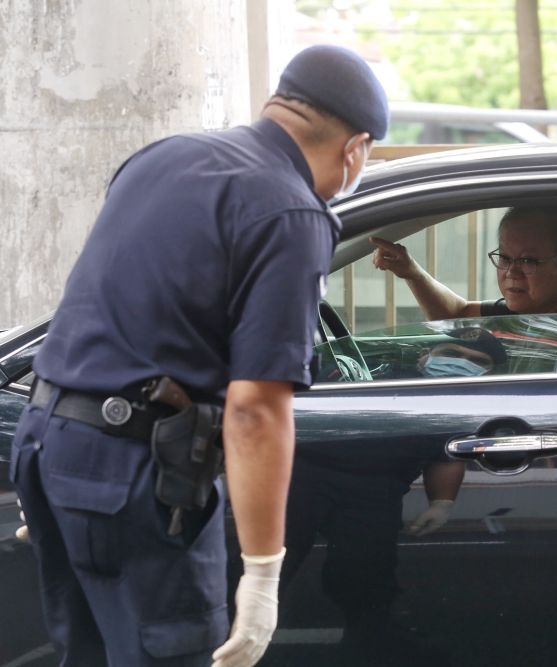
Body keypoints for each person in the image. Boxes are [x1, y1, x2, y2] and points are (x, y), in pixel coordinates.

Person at [9, 45, 388, 667]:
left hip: (49, 445)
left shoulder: (166, 156)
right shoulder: (292, 211)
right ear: (356, 149)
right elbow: (255, 410)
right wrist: (263, 579)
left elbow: (99, 302)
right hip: (132, 474)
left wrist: (59, 459)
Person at [370, 204, 557, 318]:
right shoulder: (523, 313)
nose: (511, 273)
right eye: (504, 258)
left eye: (528, 261)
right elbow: (457, 314)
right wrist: (412, 273)